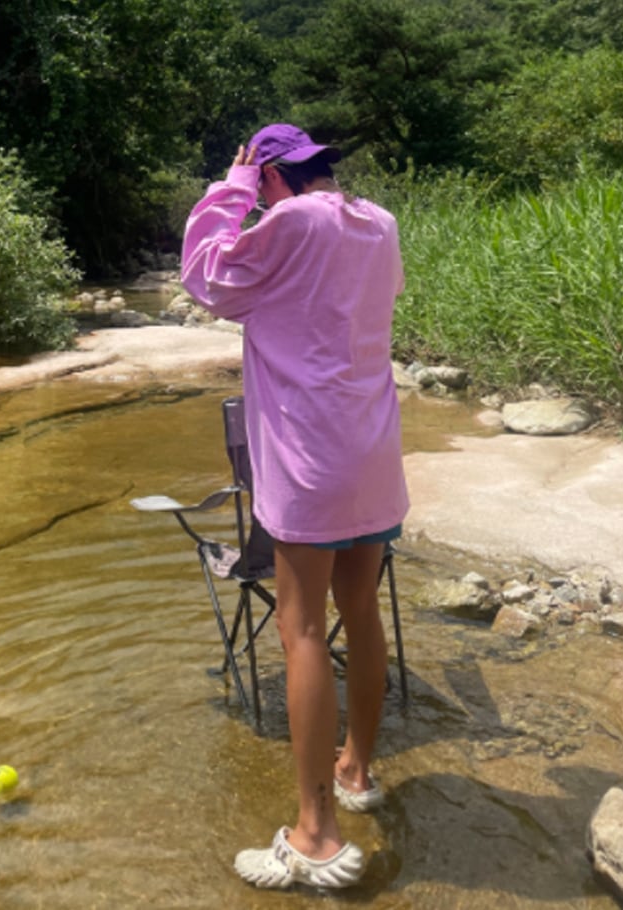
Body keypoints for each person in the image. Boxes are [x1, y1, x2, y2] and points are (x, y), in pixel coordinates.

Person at [181, 123, 409, 890]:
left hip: (311, 461)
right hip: (372, 451)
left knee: (301, 628)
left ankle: (315, 836)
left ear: (272, 177)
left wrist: (231, 189)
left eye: (259, 186)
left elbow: (206, 277)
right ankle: (356, 770)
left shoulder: (290, 220)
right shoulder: (378, 223)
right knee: (361, 612)